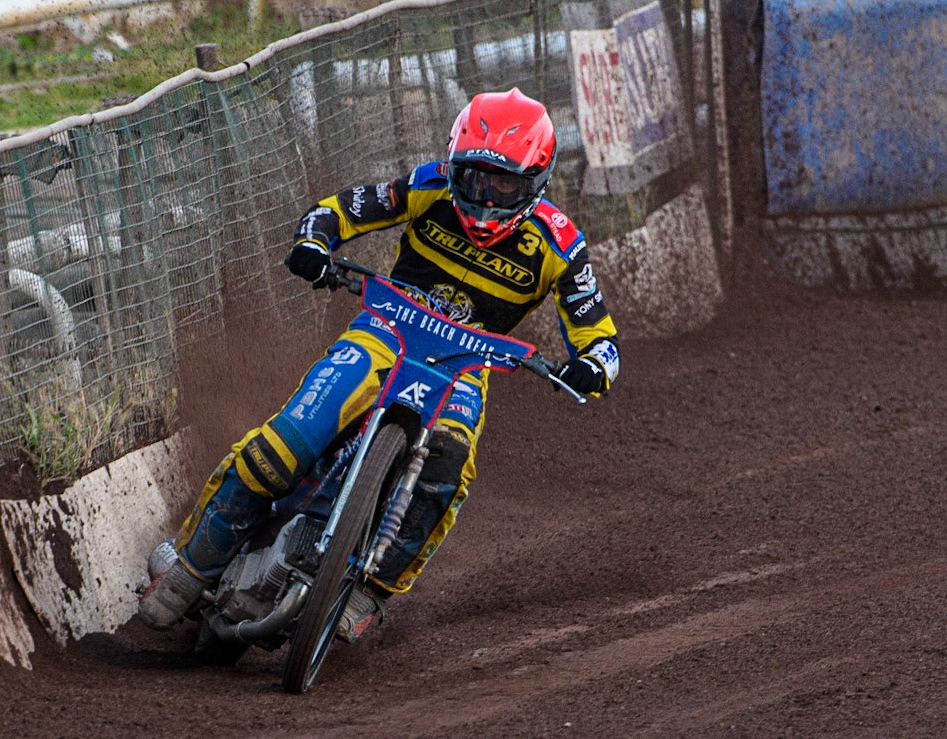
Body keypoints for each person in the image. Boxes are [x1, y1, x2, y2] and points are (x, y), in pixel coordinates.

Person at [137, 87, 620, 641]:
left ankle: (369, 591)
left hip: (463, 364)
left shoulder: (561, 244)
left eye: (502, 184)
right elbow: (339, 210)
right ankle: (193, 567)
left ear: (535, 182)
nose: (483, 197)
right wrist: (314, 242)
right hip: (387, 331)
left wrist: (590, 366)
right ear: (452, 162)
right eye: (472, 178)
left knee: (447, 466)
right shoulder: (427, 185)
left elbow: (600, 338)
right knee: (290, 440)